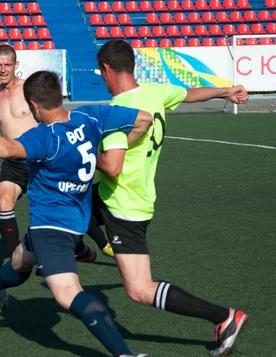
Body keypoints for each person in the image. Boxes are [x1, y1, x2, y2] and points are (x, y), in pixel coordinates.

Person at [0, 71, 154, 357]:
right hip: (76, 221)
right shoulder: (90, 116)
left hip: (51, 229)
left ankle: (124, 355)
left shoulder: (45, 137)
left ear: (33, 105)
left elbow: (6, 147)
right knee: (20, 260)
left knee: (68, 292)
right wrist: (111, 155)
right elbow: (144, 119)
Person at [90, 40, 251, 356]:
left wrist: (87, 151)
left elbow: (111, 166)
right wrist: (225, 91)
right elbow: (189, 94)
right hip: (126, 196)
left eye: (101, 73)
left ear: (107, 70)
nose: (102, 79)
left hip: (124, 206)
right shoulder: (153, 92)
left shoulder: (117, 114)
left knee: (139, 289)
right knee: (66, 211)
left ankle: (224, 317)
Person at [0, 45, 112, 260]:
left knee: (61, 205)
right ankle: (16, 261)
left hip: (43, 157)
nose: (2, 69)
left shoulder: (29, 90)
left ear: (15, 65)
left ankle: (86, 246)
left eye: (7, 64)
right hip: (14, 161)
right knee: (4, 199)